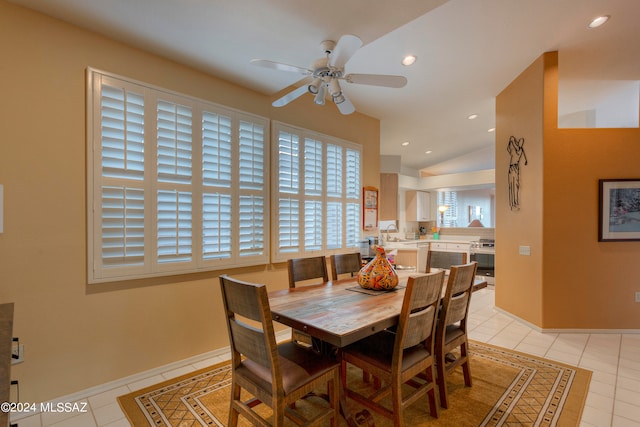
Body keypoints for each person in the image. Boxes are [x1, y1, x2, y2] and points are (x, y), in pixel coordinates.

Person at [507, 136, 527, 210]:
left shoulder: (519, 150)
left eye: (521, 142)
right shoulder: (514, 150)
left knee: (515, 186)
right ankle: (512, 204)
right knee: (511, 186)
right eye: (519, 142)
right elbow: (508, 149)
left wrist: (512, 140)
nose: (520, 143)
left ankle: (515, 203)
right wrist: (510, 142)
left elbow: (516, 148)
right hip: (511, 168)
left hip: (515, 168)